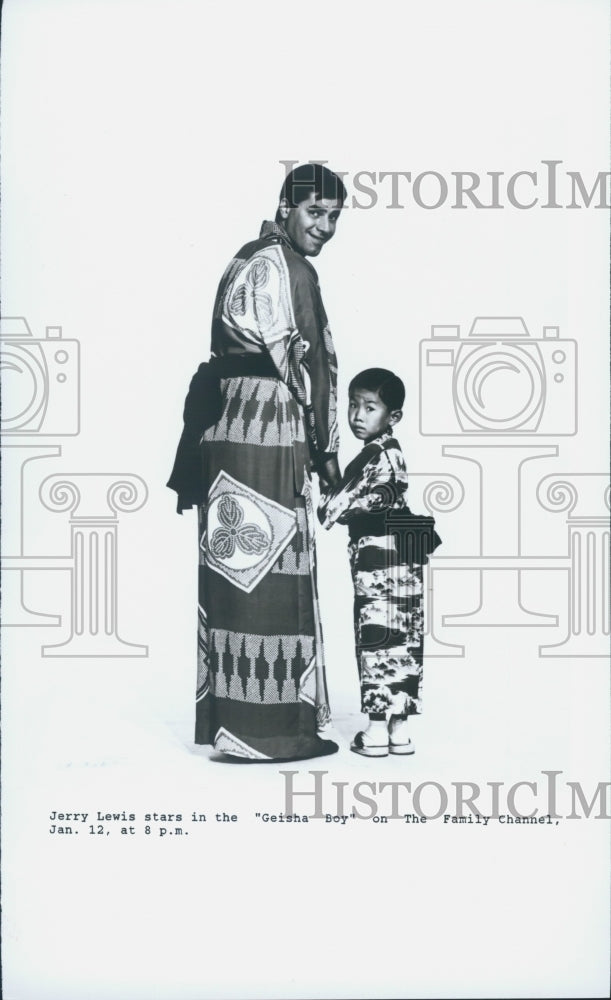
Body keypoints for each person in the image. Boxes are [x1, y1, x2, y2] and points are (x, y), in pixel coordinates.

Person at [168, 163, 346, 761]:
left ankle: (231, 728)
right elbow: (311, 367)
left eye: (334, 217)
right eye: (315, 212)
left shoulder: (241, 258)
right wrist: (326, 453)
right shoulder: (292, 269)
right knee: (277, 567)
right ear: (286, 206)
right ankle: (275, 734)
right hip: (268, 425)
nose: (324, 227)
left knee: (235, 563)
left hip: (223, 423)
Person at [318, 368, 440, 758]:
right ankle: (399, 731)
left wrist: (327, 475)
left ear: (393, 416)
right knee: (404, 637)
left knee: (374, 636)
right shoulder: (391, 451)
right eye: (353, 405)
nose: (357, 415)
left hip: (378, 560)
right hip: (405, 555)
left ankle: (373, 732)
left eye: (370, 407)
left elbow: (331, 509)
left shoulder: (375, 455)